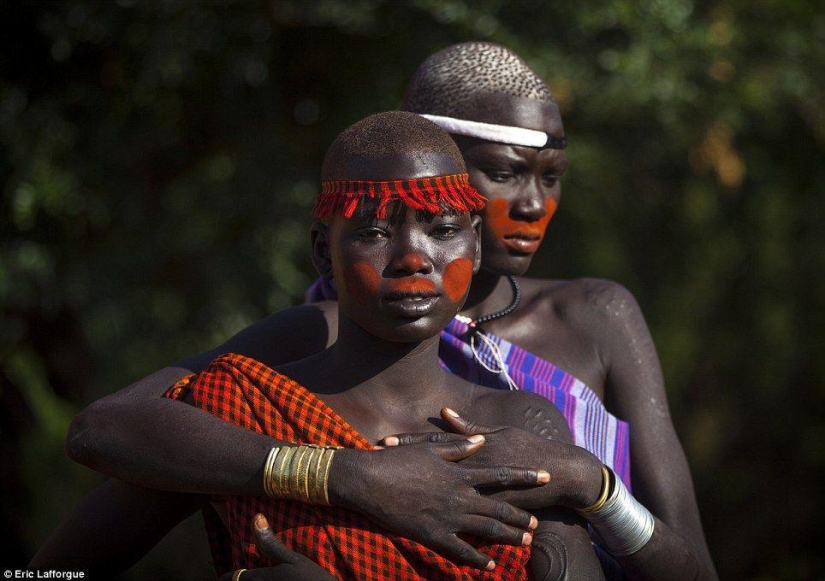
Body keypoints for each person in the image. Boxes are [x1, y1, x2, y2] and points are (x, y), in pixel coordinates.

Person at [59, 43, 715, 579]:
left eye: (550, 176)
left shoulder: (576, 342)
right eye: (504, 172)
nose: (533, 207)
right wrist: (339, 473)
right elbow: (109, 433)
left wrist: (591, 483)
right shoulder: (269, 383)